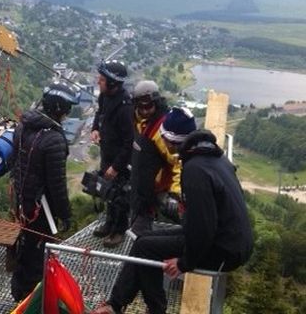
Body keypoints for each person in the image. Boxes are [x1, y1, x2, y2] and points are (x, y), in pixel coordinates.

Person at [92, 107, 253, 314]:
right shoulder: (213, 158)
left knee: (146, 249)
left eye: (164, 136)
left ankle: (152, 308)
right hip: (230, 241)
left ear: (172, 140)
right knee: (143, 241)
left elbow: (204, 227)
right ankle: (116, 304)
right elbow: (204, 224)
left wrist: (185, 263)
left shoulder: (195, 171)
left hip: (223, 250)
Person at [9, 81, 79, 301]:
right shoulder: (54, 140)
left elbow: (16, 163)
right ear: (61, 109)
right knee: (38, 254)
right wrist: (65, 215)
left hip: (23, 202)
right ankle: (32, 299)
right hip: (42, 209)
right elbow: (56, 185)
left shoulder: (23, 126)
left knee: (26, 247)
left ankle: (19, 291)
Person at [90, 60, 134, 247]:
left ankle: (119, 230)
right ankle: (109, 224)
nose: (98, 82)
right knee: (108, 192)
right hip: (107, 151)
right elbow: (100, 114)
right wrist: (95, 128)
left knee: (120, 195)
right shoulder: (104, 96)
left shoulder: (126, 108)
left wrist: (116, 167)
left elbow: (130, 142)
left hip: (120, 159)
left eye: (102, 79)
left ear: (113, 83)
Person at [129, 80, 181, 236]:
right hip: (140, 189)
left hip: (154, 192)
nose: (145, 111)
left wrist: (175, 193)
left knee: (140, 236)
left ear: (156, 103)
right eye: (141, 107)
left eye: (149, 106)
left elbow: (178, 162)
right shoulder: (137, 121)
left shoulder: (161, 130)